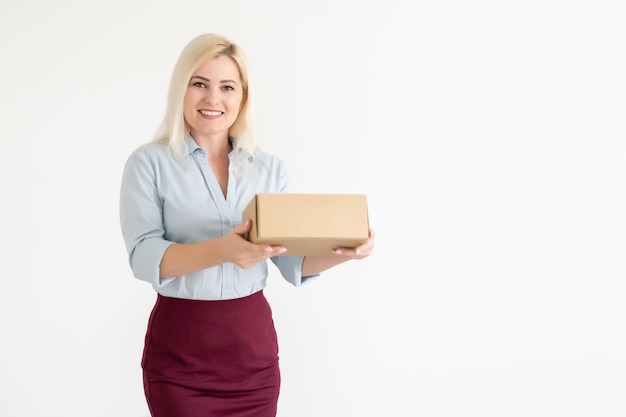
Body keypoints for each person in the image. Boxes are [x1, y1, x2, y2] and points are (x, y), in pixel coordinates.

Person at [119, 32, 375, 417]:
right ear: (181, 89)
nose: (213, 99)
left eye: (227, 87)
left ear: (243, 97)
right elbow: (143, 258)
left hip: (251, 353)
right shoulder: (148, 163)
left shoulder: (269, 169)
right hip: (180, 353)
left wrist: (346, 252)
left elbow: (291, 262)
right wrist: (223, 250)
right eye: (199, 84)